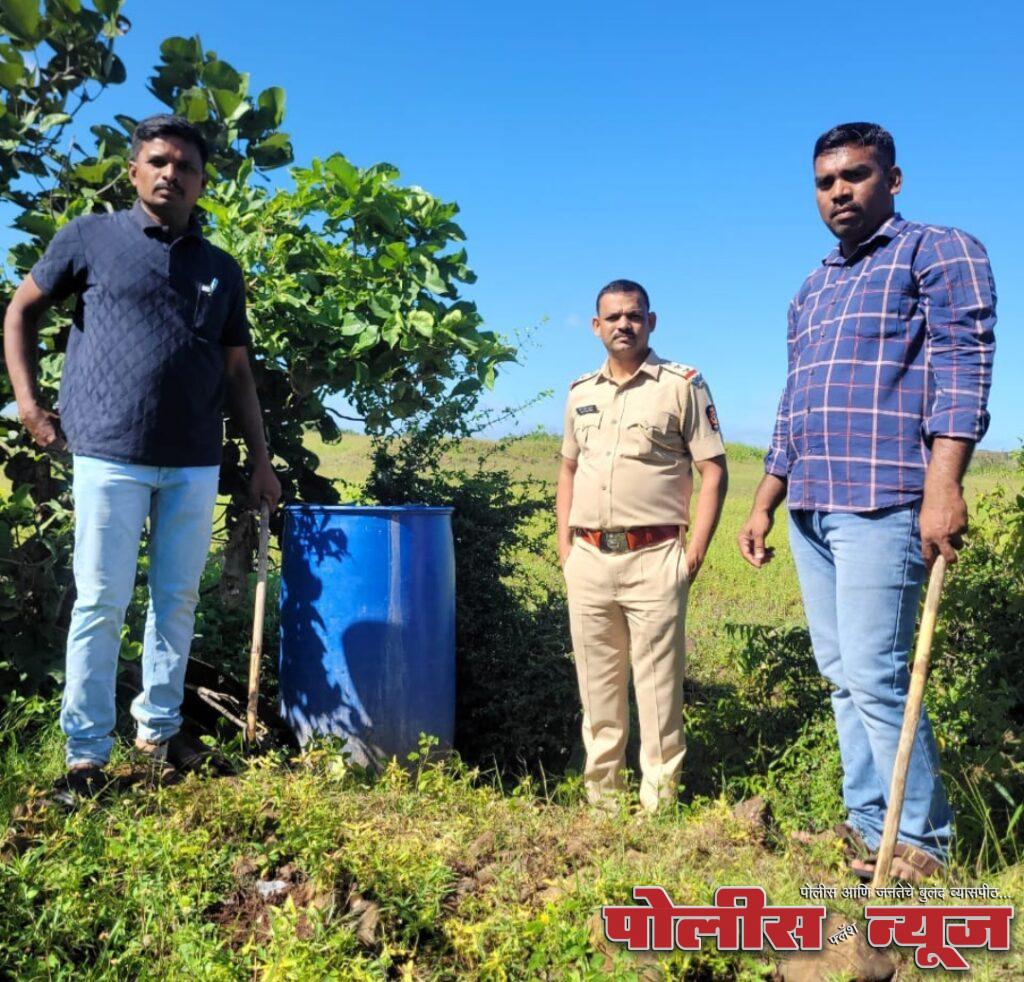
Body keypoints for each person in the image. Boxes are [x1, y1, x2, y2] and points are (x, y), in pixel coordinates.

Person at [738, 122, 996, 880]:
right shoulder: (813, 288)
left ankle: (923, 846)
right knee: (841, 672)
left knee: (879, 672)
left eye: (855, 175)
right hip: (811, 503)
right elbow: (797, 402)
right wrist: (764, 500)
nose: (839, 192)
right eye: (826, 182)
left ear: (893, 179)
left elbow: (964, 365)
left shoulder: (937, 251)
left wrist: (944, 485)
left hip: (886, 496)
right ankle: (866, 825)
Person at [3, 114, 282, 802]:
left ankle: (157, 734)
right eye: (158, 160)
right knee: (101, 599)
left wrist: (261, 461)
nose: (171, 174)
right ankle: (85, 755)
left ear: (201, 182)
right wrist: (30, 406)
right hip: (108, 454)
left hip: (191, 461)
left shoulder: (220, 269)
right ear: (133, 171)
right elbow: (19, 312)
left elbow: (239, 375)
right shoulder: (91, 238)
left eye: (185, 167)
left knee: (176, 600)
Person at [556, 279, 728, 812]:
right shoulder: (580, 391)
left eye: (634, 316)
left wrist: (692, 554)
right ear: (596, 326)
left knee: (658, 692)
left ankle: (659, 806)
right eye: (612, 317)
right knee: (598, 690)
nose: (623, 325)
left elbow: (713, 471)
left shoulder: (682, 384)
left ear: (651, 322)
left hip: (656, 557)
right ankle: (603, 802)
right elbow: (567, 468)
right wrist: (565, 549)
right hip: (589, 560)